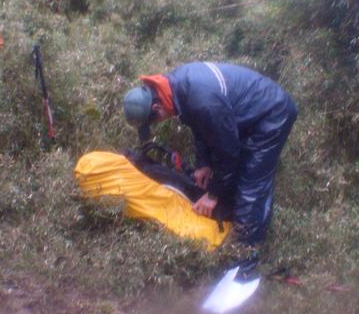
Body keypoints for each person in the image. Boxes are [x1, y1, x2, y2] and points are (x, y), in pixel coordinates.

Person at [123, 61, 297, 255]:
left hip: (271, 114)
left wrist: (213, 195)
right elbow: (201, 127)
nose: (158, 123)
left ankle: (245, 256)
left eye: (154, 120)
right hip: (244, 114)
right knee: (231, 175)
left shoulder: (202, 100)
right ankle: (237, 230)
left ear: (157, 106)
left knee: (251, 185)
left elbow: (229, 151)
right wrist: (204, 164)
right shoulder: (176, 87)